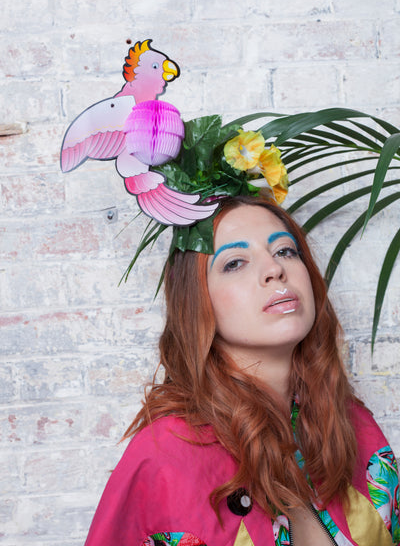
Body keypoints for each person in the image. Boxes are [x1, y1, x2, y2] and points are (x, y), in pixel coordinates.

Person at [84, 195, 400, 546]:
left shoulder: (352, 424)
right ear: (198, 300)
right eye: (235, 263)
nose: (275, 269)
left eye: (285, 251)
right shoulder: (164, 457)